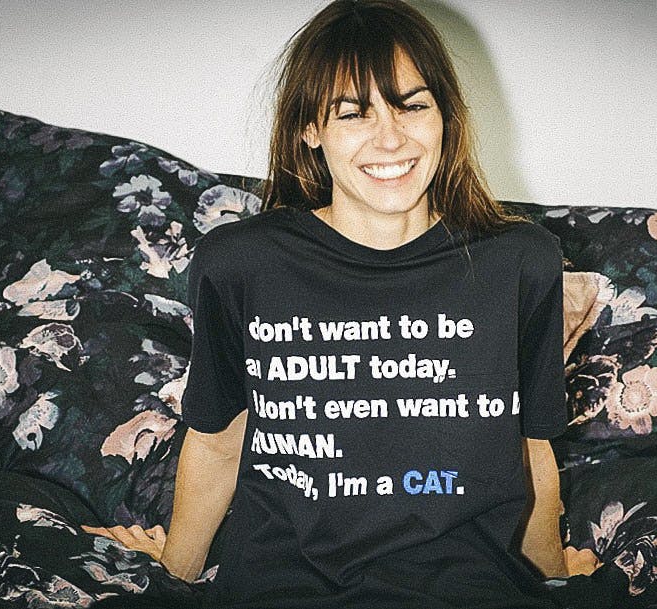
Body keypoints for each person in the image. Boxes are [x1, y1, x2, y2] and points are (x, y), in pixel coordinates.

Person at [160, 1, 569, 606]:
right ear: (309, 129)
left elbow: (531, 448)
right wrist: (170, 580)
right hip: (282, 588)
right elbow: (219, 441)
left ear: (446, 116)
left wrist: (558, 581)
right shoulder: (240, 263)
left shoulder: (521, 262)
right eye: (353, 113)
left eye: (413, 105)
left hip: (468, 589)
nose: (391, 138)